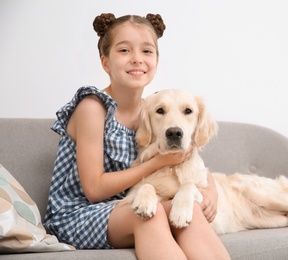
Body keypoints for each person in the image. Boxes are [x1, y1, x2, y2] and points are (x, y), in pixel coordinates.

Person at [43, 12, 230, 260]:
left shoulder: (154, 110)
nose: (136, 59)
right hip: (78, 214)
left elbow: (188, 159)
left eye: (146, 51)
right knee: (149, 215)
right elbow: (94, 189)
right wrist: (158, 162)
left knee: (188, 211)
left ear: (156, 61)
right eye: (124, 51)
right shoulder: (93, 107)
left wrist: (211, 192)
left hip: (132, 203)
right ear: (105, 62)